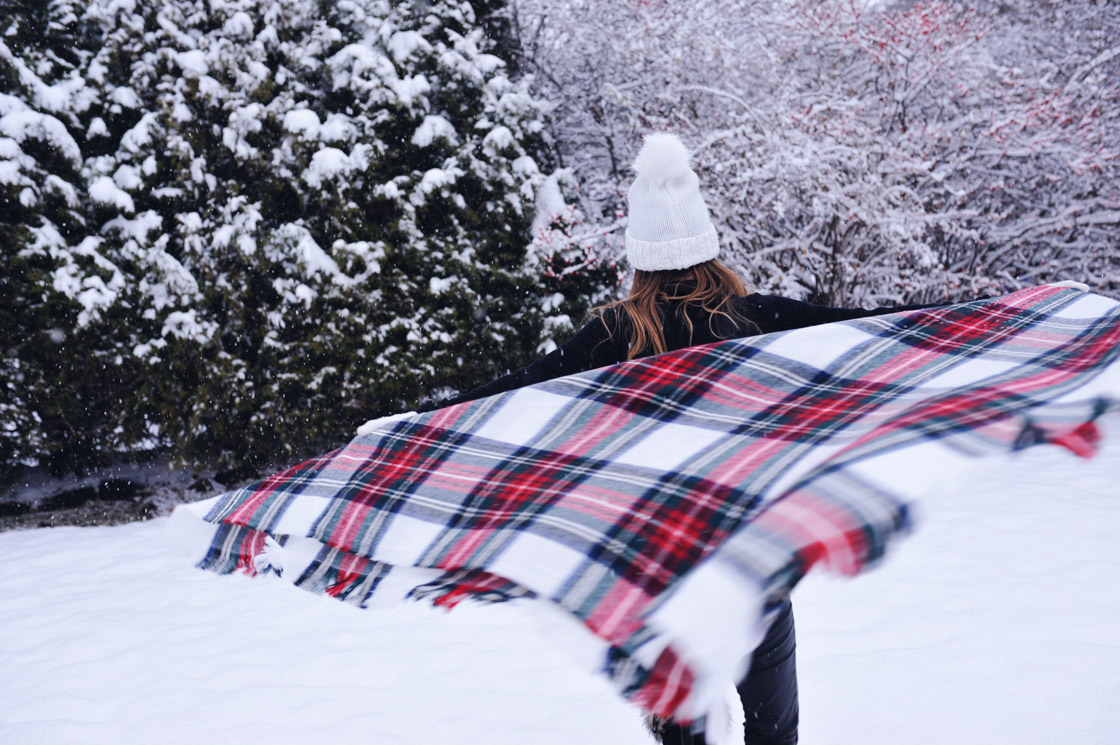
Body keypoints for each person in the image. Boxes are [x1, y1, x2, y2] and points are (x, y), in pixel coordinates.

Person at [425, 132, 937, 745]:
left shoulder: (612, 334)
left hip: (658, 571)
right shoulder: (756, 319)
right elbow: (878, 334)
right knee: (776, 736)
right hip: (753, 562)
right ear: (707, 245)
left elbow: (511, 396)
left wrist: (410, 425)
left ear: (639, 254)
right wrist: (995, 314)